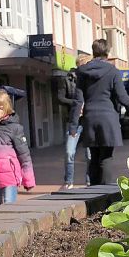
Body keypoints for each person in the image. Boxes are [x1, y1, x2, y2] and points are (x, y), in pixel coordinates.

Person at [71, 39, 129, 185]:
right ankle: (105, 193)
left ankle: (93, 191)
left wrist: (73, 125)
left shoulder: (82, 72)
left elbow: (78, 100)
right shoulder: (113, 71)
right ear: (108, 52)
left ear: (93, 51)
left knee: (93, 157)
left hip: (90, 118)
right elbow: (122, 97)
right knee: (106, 157)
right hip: (108, 119)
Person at [57, 54, 91, 189]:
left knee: (90, 154)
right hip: (73, 120)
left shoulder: (92, 80)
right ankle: (68, 181)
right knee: (69, 151)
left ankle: (89, 181)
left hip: (88, 120)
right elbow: (60, 98)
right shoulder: (68, 79)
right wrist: (77, 104)